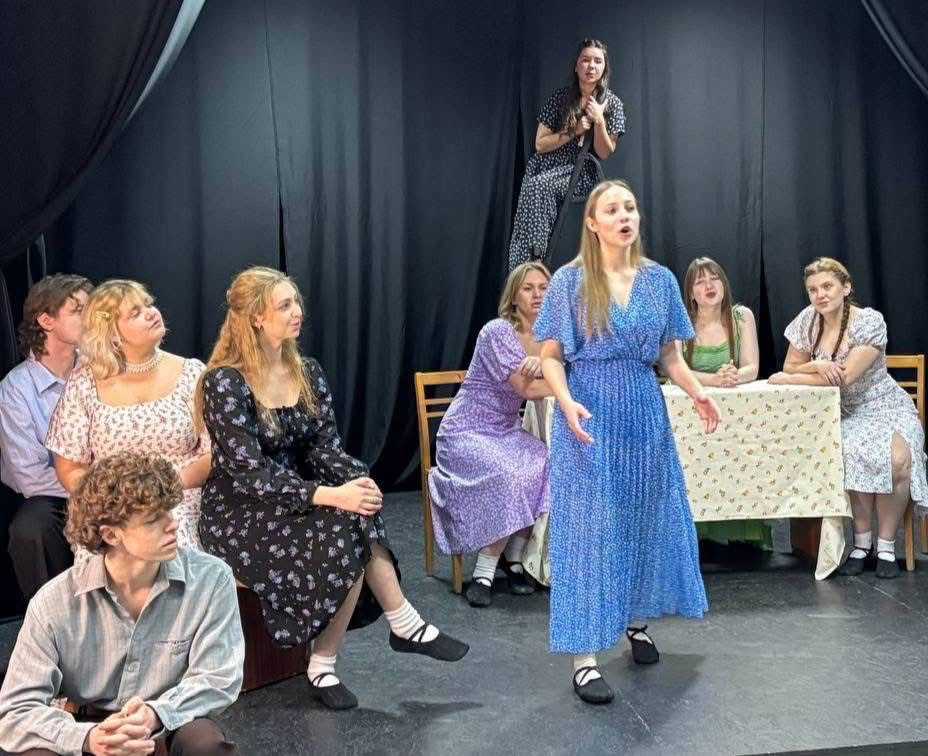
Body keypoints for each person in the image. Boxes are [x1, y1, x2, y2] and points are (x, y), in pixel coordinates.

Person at [194, 266, 468, 711]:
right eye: (284, 305)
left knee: (355, 509)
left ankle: (346, 651)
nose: (297, 311)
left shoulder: (307, 372)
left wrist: (356, 478)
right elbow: (249, 472)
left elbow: (323, 447)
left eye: (296, 302)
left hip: (295, 494)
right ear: (257, 317)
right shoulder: (225, 382)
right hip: (240, 511)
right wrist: (330, 495)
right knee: (345, 524)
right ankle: (376, 635)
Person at [534, 179, 719, 704]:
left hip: (643, 409)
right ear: (592, 223)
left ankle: (636, 621)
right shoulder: (570, 281)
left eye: (630, 208)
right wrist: (564, 400)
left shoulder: (659, 280)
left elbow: (670, 356)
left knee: (643, 516)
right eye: (612, 209)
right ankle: (585, 658)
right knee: (589, 529)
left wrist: (698, 392)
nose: (624, 216)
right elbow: (550, 356)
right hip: (588, 412)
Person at [0, 452, 243, 755]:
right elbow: (15, 710)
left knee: (206, 744)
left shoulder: (211, 579)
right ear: (111, 534)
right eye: (153, 519)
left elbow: (219, 677)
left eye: (169, 511)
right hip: (86, 727)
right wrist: (89, 738)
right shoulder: (53, 603)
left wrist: (155, 714)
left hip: (170, 721)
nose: (173, 525)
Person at [770, 257, 927, 578]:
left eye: (827, 286)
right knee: (850, 452)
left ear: (846, 287)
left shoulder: (868, 322)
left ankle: (886, 547)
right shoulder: (808, 321)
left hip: (884, 406)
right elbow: (790, 364)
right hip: (842, 411)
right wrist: (816, 365)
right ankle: (861, 543)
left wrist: (792, 377)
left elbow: (845, 377)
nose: (820, 294)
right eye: (813, 289)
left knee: (898, 459)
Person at [46, 280, 210, 562]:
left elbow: (214, 453)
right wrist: (112, 498)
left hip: (178, 498)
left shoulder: (192, 373)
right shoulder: (84, 382)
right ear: (112, 333)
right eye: (135, 312)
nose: (151, 313)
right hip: (112, 506)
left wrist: (166, 487)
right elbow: (70, 467)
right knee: (110, 554)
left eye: (148, 304)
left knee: (173, 547)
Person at [429, 262, 552, 607]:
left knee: (546, 463)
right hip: (466, 431)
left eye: (543, 287)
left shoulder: (550, 338)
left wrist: (549, 365)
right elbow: (528, 389)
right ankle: (485, 568)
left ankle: (514, 557)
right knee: (509, 474)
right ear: (513, 297)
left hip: (505, 431)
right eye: (528, 288)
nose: (537, 295)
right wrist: (558, 377)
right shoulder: (497, 332)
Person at [0, 274, 91, 598]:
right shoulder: (16, 389)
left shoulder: (99, 370)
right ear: (46, 320)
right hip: (56, 494)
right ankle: (49, 620)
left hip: (110, 486)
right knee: (30, 529)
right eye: (78, 310)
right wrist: (91, 486)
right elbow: (27, 475)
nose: (90, 318)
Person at [508, 38, 626, 270]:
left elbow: (604, 152)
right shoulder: (559, 99)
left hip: (579, 171)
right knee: (530, 192)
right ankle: (520, 269)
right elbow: (540, 144)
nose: (591, 66)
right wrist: (574, 130)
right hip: (545, 165)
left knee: (538, 187)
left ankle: (535, 257)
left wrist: (599, 120)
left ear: (604, 67)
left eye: (597, 61)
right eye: (586, 60)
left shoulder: (612, 103)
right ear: (576, 65)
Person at [679, 257, 768, 550]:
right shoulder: (682, 321)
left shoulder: (741, 317)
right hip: (694, 416)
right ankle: (698, 534)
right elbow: (676, 369)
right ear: (691, 293)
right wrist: (713, 380)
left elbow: (752, 367)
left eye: (714, 278)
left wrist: (733, 376)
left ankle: (743, 532)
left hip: (735, 417)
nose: (709, 285)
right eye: (700, 281)